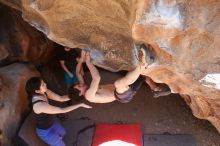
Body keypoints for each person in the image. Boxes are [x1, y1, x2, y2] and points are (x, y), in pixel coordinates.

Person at [25, 77, 91, 146]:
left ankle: (58, 139)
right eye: (43, 84)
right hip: (45, 132)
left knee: (63, 133)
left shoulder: (45, 92)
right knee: (61, 145)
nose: (45, 84)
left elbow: (61, 98)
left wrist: (75, 94)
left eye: (43, 82)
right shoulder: (39, 105)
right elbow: (62, 110)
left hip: (52, 122)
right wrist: (80, 105)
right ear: (37, 91)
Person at [71, 49, 148, 103]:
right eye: (79, 87)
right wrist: (88, 62)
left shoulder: (84, 86)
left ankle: (153, 86)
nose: (80, 84)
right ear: (80, 94)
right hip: (122, 96)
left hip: (124, 87)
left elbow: (78, 73)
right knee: (118, 83)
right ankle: (142, 64)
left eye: (78, 84)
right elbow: (97, 78)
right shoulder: (88, 96)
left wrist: (81, 60)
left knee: (136, 73)